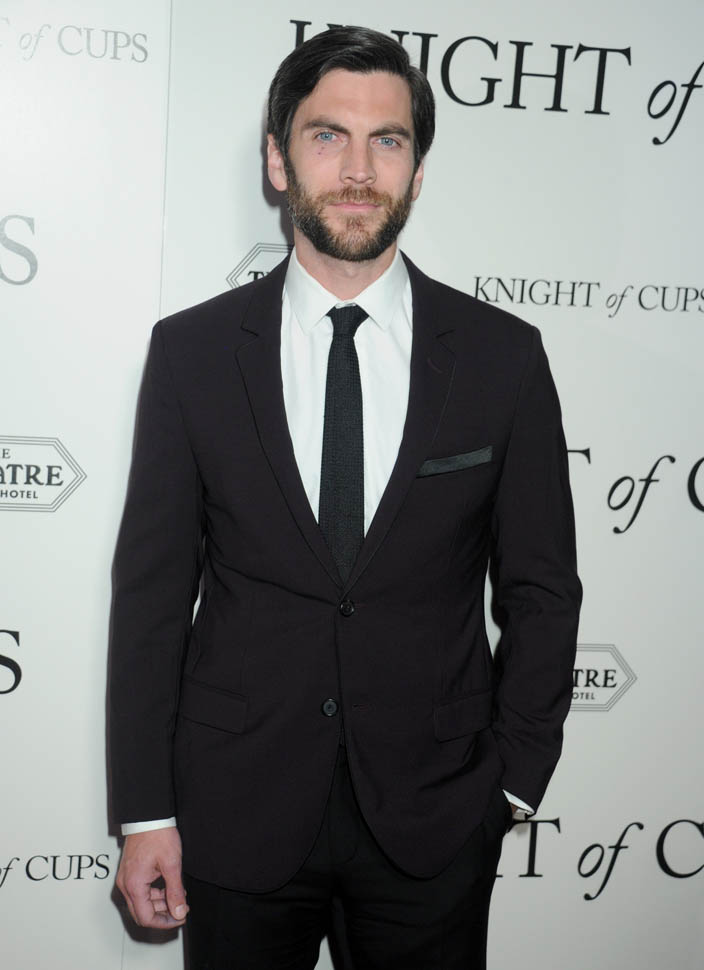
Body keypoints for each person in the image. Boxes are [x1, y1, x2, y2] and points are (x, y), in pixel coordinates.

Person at [109, 25, 581, 970]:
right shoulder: (192, 354)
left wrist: (510, 785)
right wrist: (146, 812)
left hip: (436, 820)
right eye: (328, 136)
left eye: (387, 141)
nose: (359, 170)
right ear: (278, 161)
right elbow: (153, 596)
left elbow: (542, 588)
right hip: (235, 810)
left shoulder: (503, 357)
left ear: (418, 170)